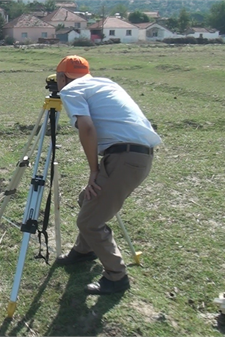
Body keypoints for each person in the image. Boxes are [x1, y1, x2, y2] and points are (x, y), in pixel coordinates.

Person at [54, 55, 162, 295]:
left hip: (124, 158)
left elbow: (87, 127)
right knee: (87, 199)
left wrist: (94, 170)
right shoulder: (107, 83)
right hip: (136, 155)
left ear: (61, 77)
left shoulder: (71, 90)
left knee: (89, 221)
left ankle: (116, 277)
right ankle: (84, 251)